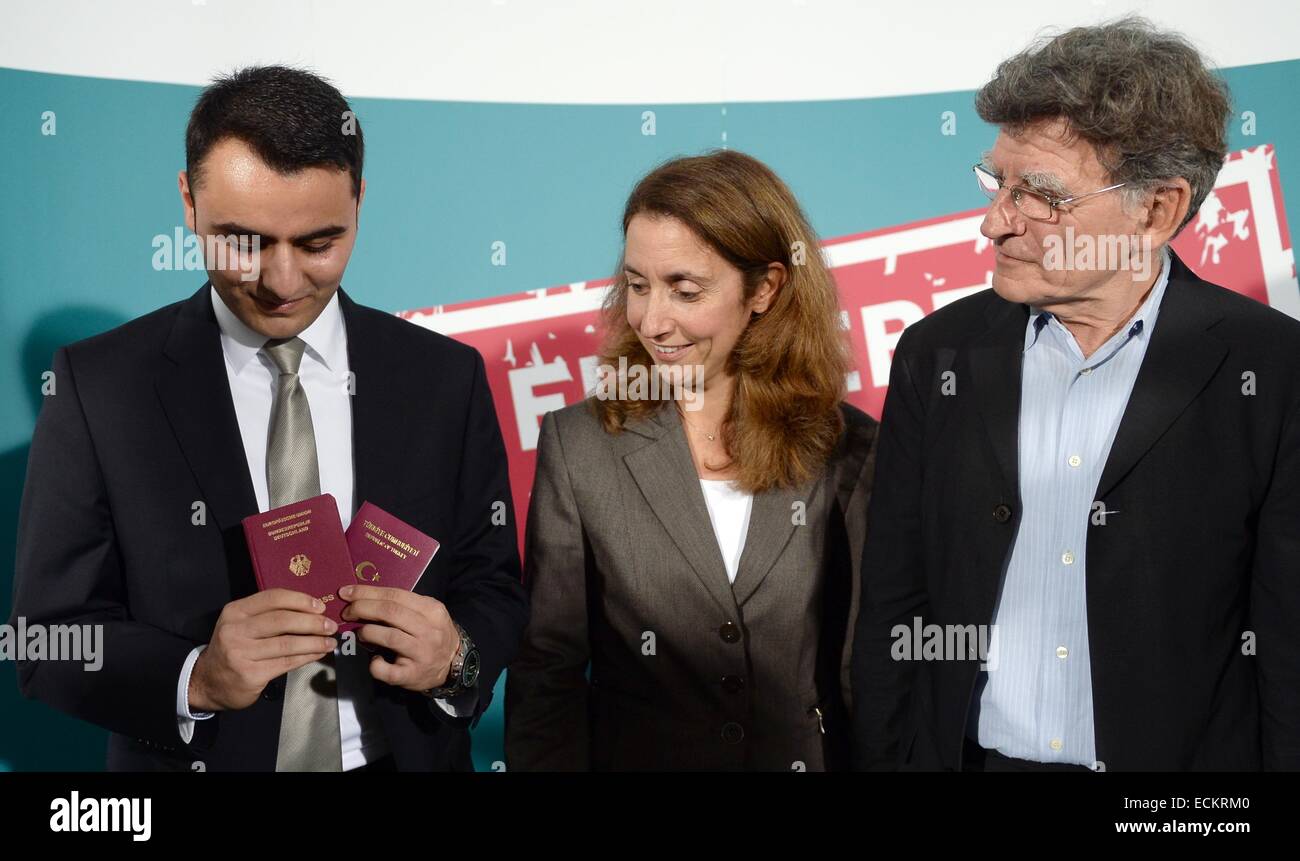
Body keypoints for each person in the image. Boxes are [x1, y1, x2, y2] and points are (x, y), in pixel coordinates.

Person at [10, 66, 528, 771]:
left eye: (319, 243)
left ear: (360, 201)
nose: (282, 282)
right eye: (243, 242)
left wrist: (458, 658)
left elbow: (492, 584)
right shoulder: (99, 387)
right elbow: (49, 638)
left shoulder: (445, 377)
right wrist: (196, 675)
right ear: (188, 201)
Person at [852, 18, 1300, 772]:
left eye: (1043, 197)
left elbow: (1287, 645)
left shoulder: (1271, 369)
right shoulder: (938, 356)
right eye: (999, 183)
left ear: (1155, 211)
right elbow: (896, 607)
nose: (996, 222)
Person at [505, 150, 877, 771]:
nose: (653, 320)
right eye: (638, 285)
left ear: (765, 288)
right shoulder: (580, 445)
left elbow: (861, 669)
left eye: (685, 290)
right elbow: (548, 670)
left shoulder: (847, 448)